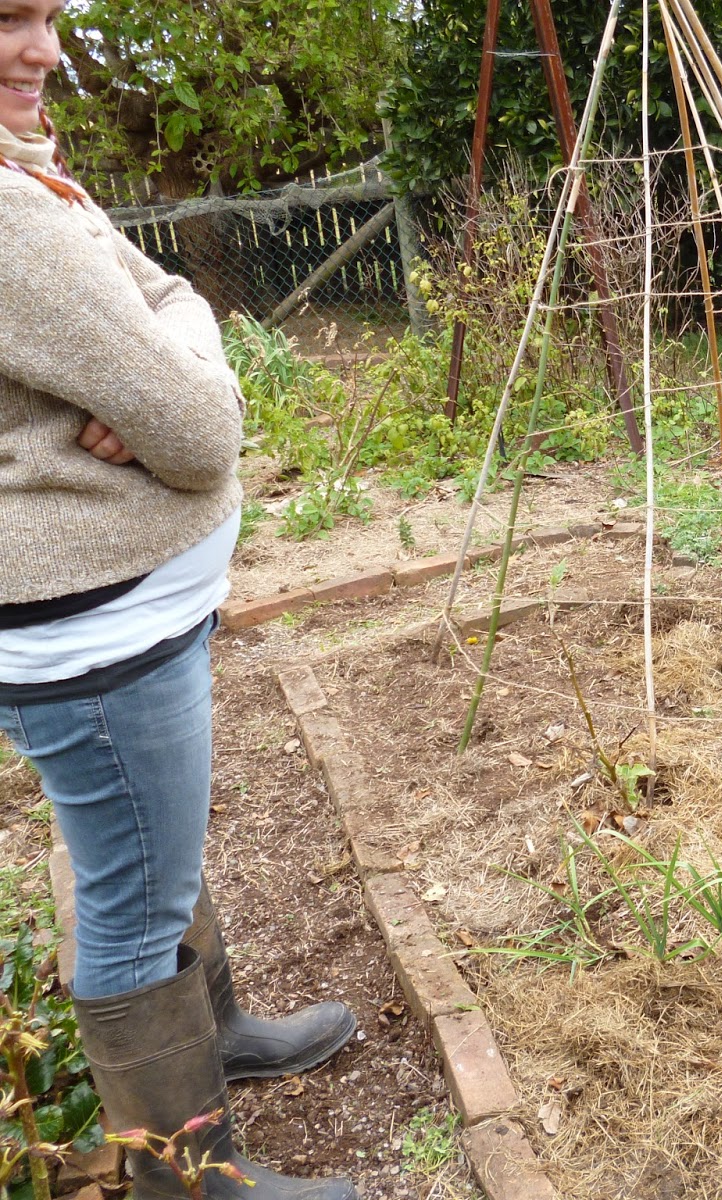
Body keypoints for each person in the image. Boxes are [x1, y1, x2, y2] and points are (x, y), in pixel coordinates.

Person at [0, 5, 356, 1199]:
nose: (43, 49)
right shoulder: (5, 215)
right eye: (6, 19)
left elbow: (169, 293)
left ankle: (217, 1041)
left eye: (46, 17)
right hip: (95, 636)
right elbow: (200, 434)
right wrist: (177, 390)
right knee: (132, 896)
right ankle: (189, 1178)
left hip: (115, 621)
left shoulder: (31, 180)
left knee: (153, 857)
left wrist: (175, 349)